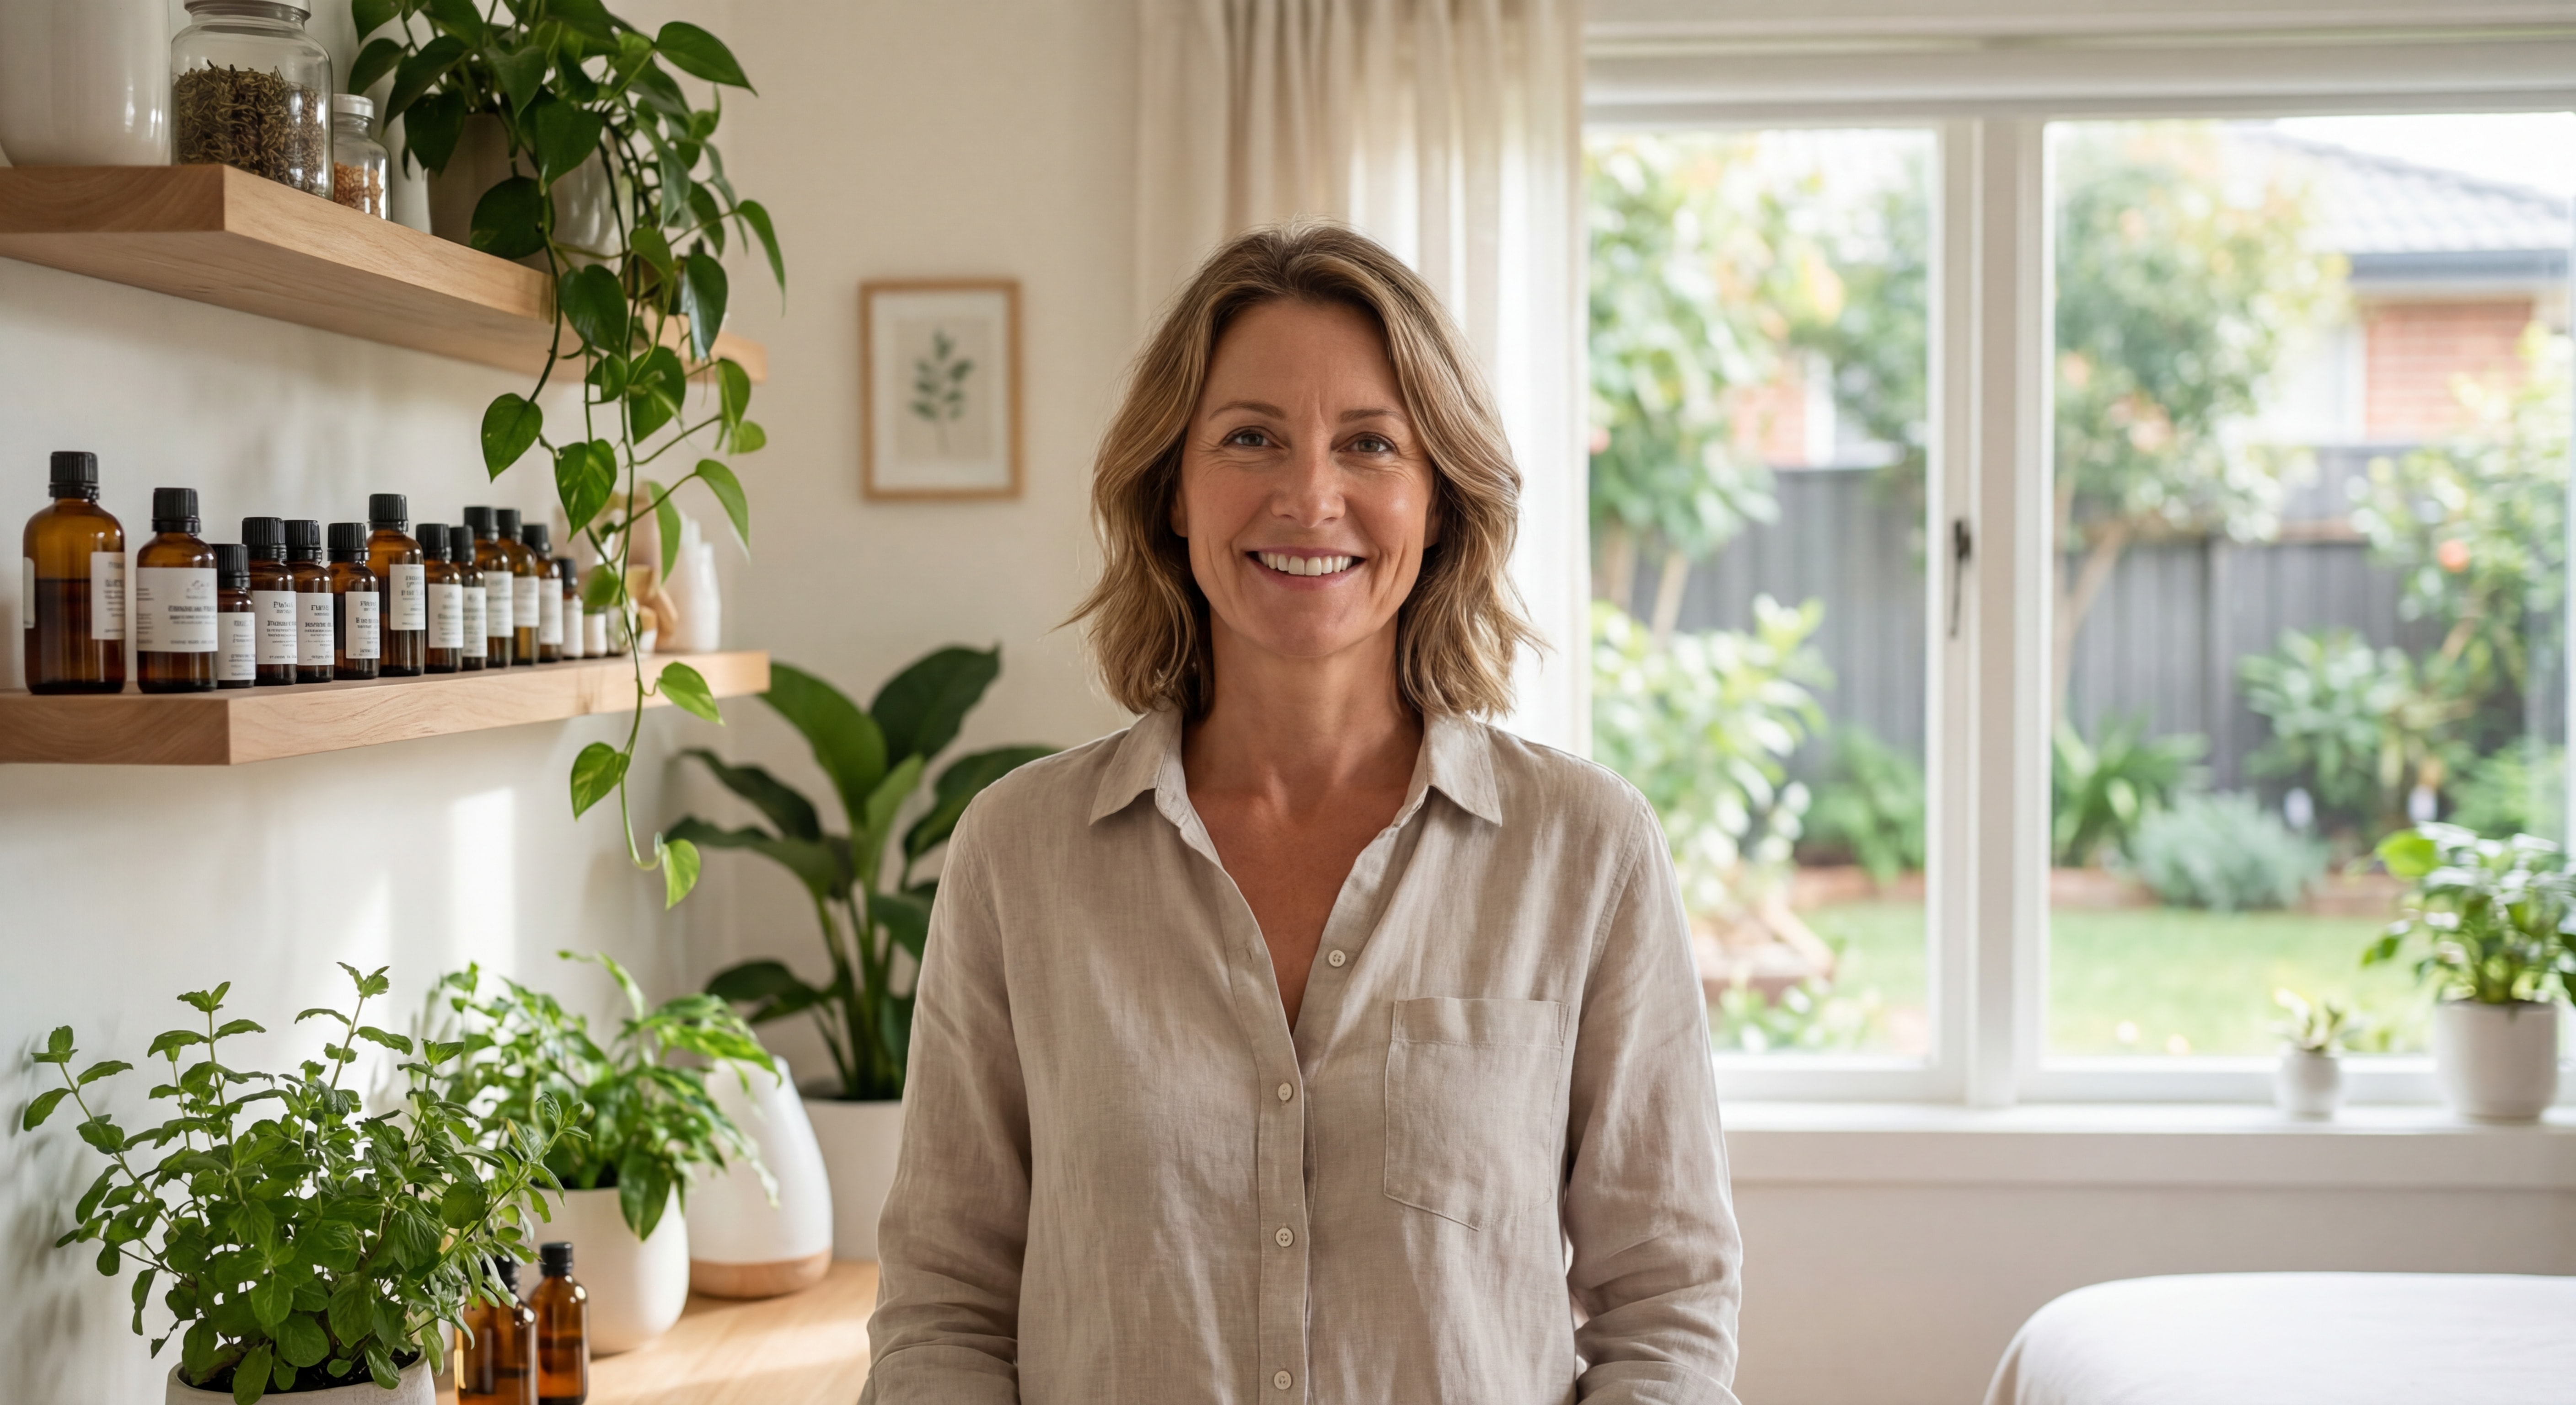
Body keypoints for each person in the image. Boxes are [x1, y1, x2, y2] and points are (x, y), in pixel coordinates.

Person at [859, 222, 1742, 1404]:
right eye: (1251, 438)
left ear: (1439, 502)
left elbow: (1668, 1309)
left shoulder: (1586, 850)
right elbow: (945, 1308)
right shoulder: (1019, 855)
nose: (1310, 496)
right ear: (1175, 491)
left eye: (1370, 443)